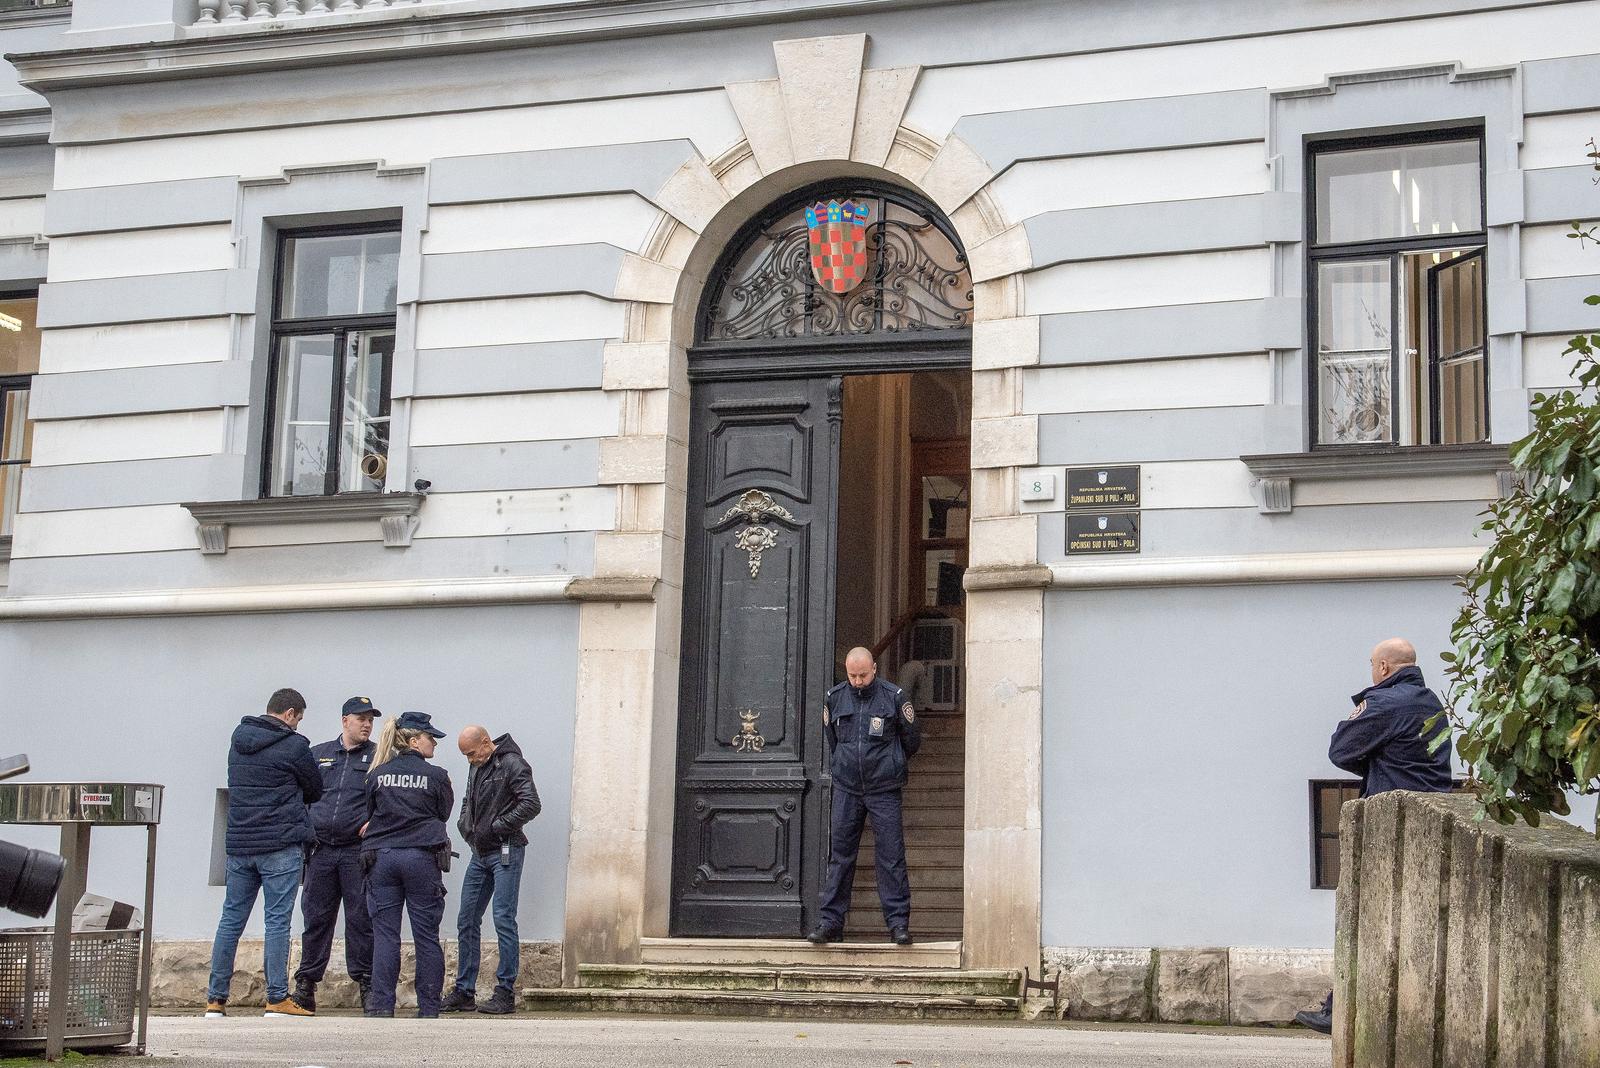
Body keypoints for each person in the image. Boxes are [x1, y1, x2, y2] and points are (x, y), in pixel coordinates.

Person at [1295, 638, 1455, 1034]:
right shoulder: (1432, 702)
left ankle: (1340, 1011)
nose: (1371, 670)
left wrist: (1372, 758)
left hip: (1390, 826)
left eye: (1372, 664)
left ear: (1384, 668)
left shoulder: (1384, 703)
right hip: (1433, 821)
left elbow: (1341, 748)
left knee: (1364, 918)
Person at [205, 687, 323, 1019]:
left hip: (240, 844)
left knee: (230, 921)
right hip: (280, 845)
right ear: (290, 714)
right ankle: (276, 998)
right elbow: (314, 787)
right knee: (276, 922)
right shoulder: (295, 745)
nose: (298, 724)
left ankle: (215, 1000)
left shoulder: (238, 739)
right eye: (298, 718)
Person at [807, 647, 922, 946]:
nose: (858, 681)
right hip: (847, 788)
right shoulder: (834, 698)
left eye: (863, 675)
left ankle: (898, 924)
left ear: (874, 668)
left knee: (891, 857)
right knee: (840, 857)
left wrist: (891, 762)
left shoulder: (894, 697)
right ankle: (830, 922)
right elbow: (833, 741)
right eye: (852, 675)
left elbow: (911, 740)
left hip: (884, 789)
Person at [442, 725, 542, 1015]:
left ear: (486, 743)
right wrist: (467, 827)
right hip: (479, 853)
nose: (469, 760)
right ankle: (464, 990)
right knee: (467, 918)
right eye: (465, 756)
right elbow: (467, 801)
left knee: (503, 917)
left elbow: (531, 803)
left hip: (505, 851)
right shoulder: (477, 765)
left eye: (472, 753)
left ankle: (505, 990)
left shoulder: (512, 763)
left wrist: (496, 827)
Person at [290, 696, 381, 1014]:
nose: (367, 724)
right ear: (345, 720)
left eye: (371, 719)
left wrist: (376, 821)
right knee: (315, 919)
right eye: (361, 718)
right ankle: (306, 986)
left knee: (361, 920)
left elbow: (387, 799)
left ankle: (367, 983)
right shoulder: (318, 755)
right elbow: (300, 797)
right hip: (321, 852)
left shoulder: (378, 757)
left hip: (357, 853)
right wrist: (305, 827)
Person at [361, 711, 454, 1019]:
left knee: (385, 935)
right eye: (431, 738)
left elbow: (369, 813)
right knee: (426, 935)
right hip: (421, 859)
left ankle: (382, 1006)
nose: (435, 744)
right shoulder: (437, 776)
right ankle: (428, 1009)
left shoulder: (377, 774)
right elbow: (443, 813)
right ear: (415, 740)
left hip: (382, 858)